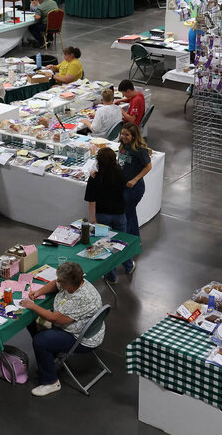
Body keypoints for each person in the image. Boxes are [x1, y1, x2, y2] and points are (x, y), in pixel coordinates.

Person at [20, 261, 105, 397]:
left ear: (69, 284)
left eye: (61, 281)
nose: (58, 282)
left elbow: (55, 318)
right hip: (82, 330)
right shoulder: (76, 283)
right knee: (33, 322)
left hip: (81, 339)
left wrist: (33, 306)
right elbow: (55, 283)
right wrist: (38, 292)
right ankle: (51, 356)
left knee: (40, 341)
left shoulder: (81, 298)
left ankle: (50, 382)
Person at [106, 122, 151, 282]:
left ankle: (127, 243)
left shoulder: (140, 150)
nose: (124, 137)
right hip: (123, 186)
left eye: (127, 135)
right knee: (130, 213)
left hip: (134, 188)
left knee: (125, 213)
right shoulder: (122, 146)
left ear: (134, 136)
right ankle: (134, 241)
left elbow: (148, 166)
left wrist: (135, 179)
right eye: (122, 134)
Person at [85, 147, 127, 232]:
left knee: (102, 241)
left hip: (102, 214)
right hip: (119, 213)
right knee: (121, 240)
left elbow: (91, 201)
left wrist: (93, 220)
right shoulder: (121, 173)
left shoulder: (94, 178)